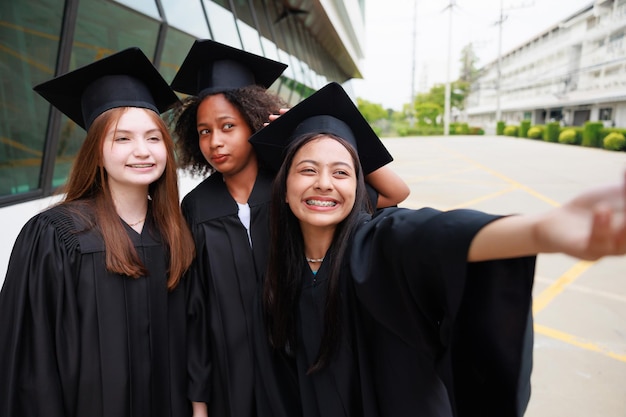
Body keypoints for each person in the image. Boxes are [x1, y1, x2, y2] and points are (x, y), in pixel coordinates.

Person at [248, 81, 626, 417]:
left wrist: (542, 230)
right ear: (283, 186)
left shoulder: (376, 243)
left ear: (361, 188)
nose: (324, 183)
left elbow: (434, 235)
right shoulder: (281, 263)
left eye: (342, 172)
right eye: (307, 170)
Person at [168, 39, 410, 417]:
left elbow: (396, 192)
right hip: (232, 374)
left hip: (298, 363)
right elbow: (196, 307)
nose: (215, 141)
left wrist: (306, 134)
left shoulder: (295, 189)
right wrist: (200, 400)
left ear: (253, 119)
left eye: (228, 126)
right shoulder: (197, 206)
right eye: (203, 131)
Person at [0, 48, 208, 417]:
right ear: (97, 151)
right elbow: (31, 359)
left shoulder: (176, 234)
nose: (141, 151)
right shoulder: (54, 235)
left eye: (153, 138)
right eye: (122, 138)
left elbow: (195, 339)